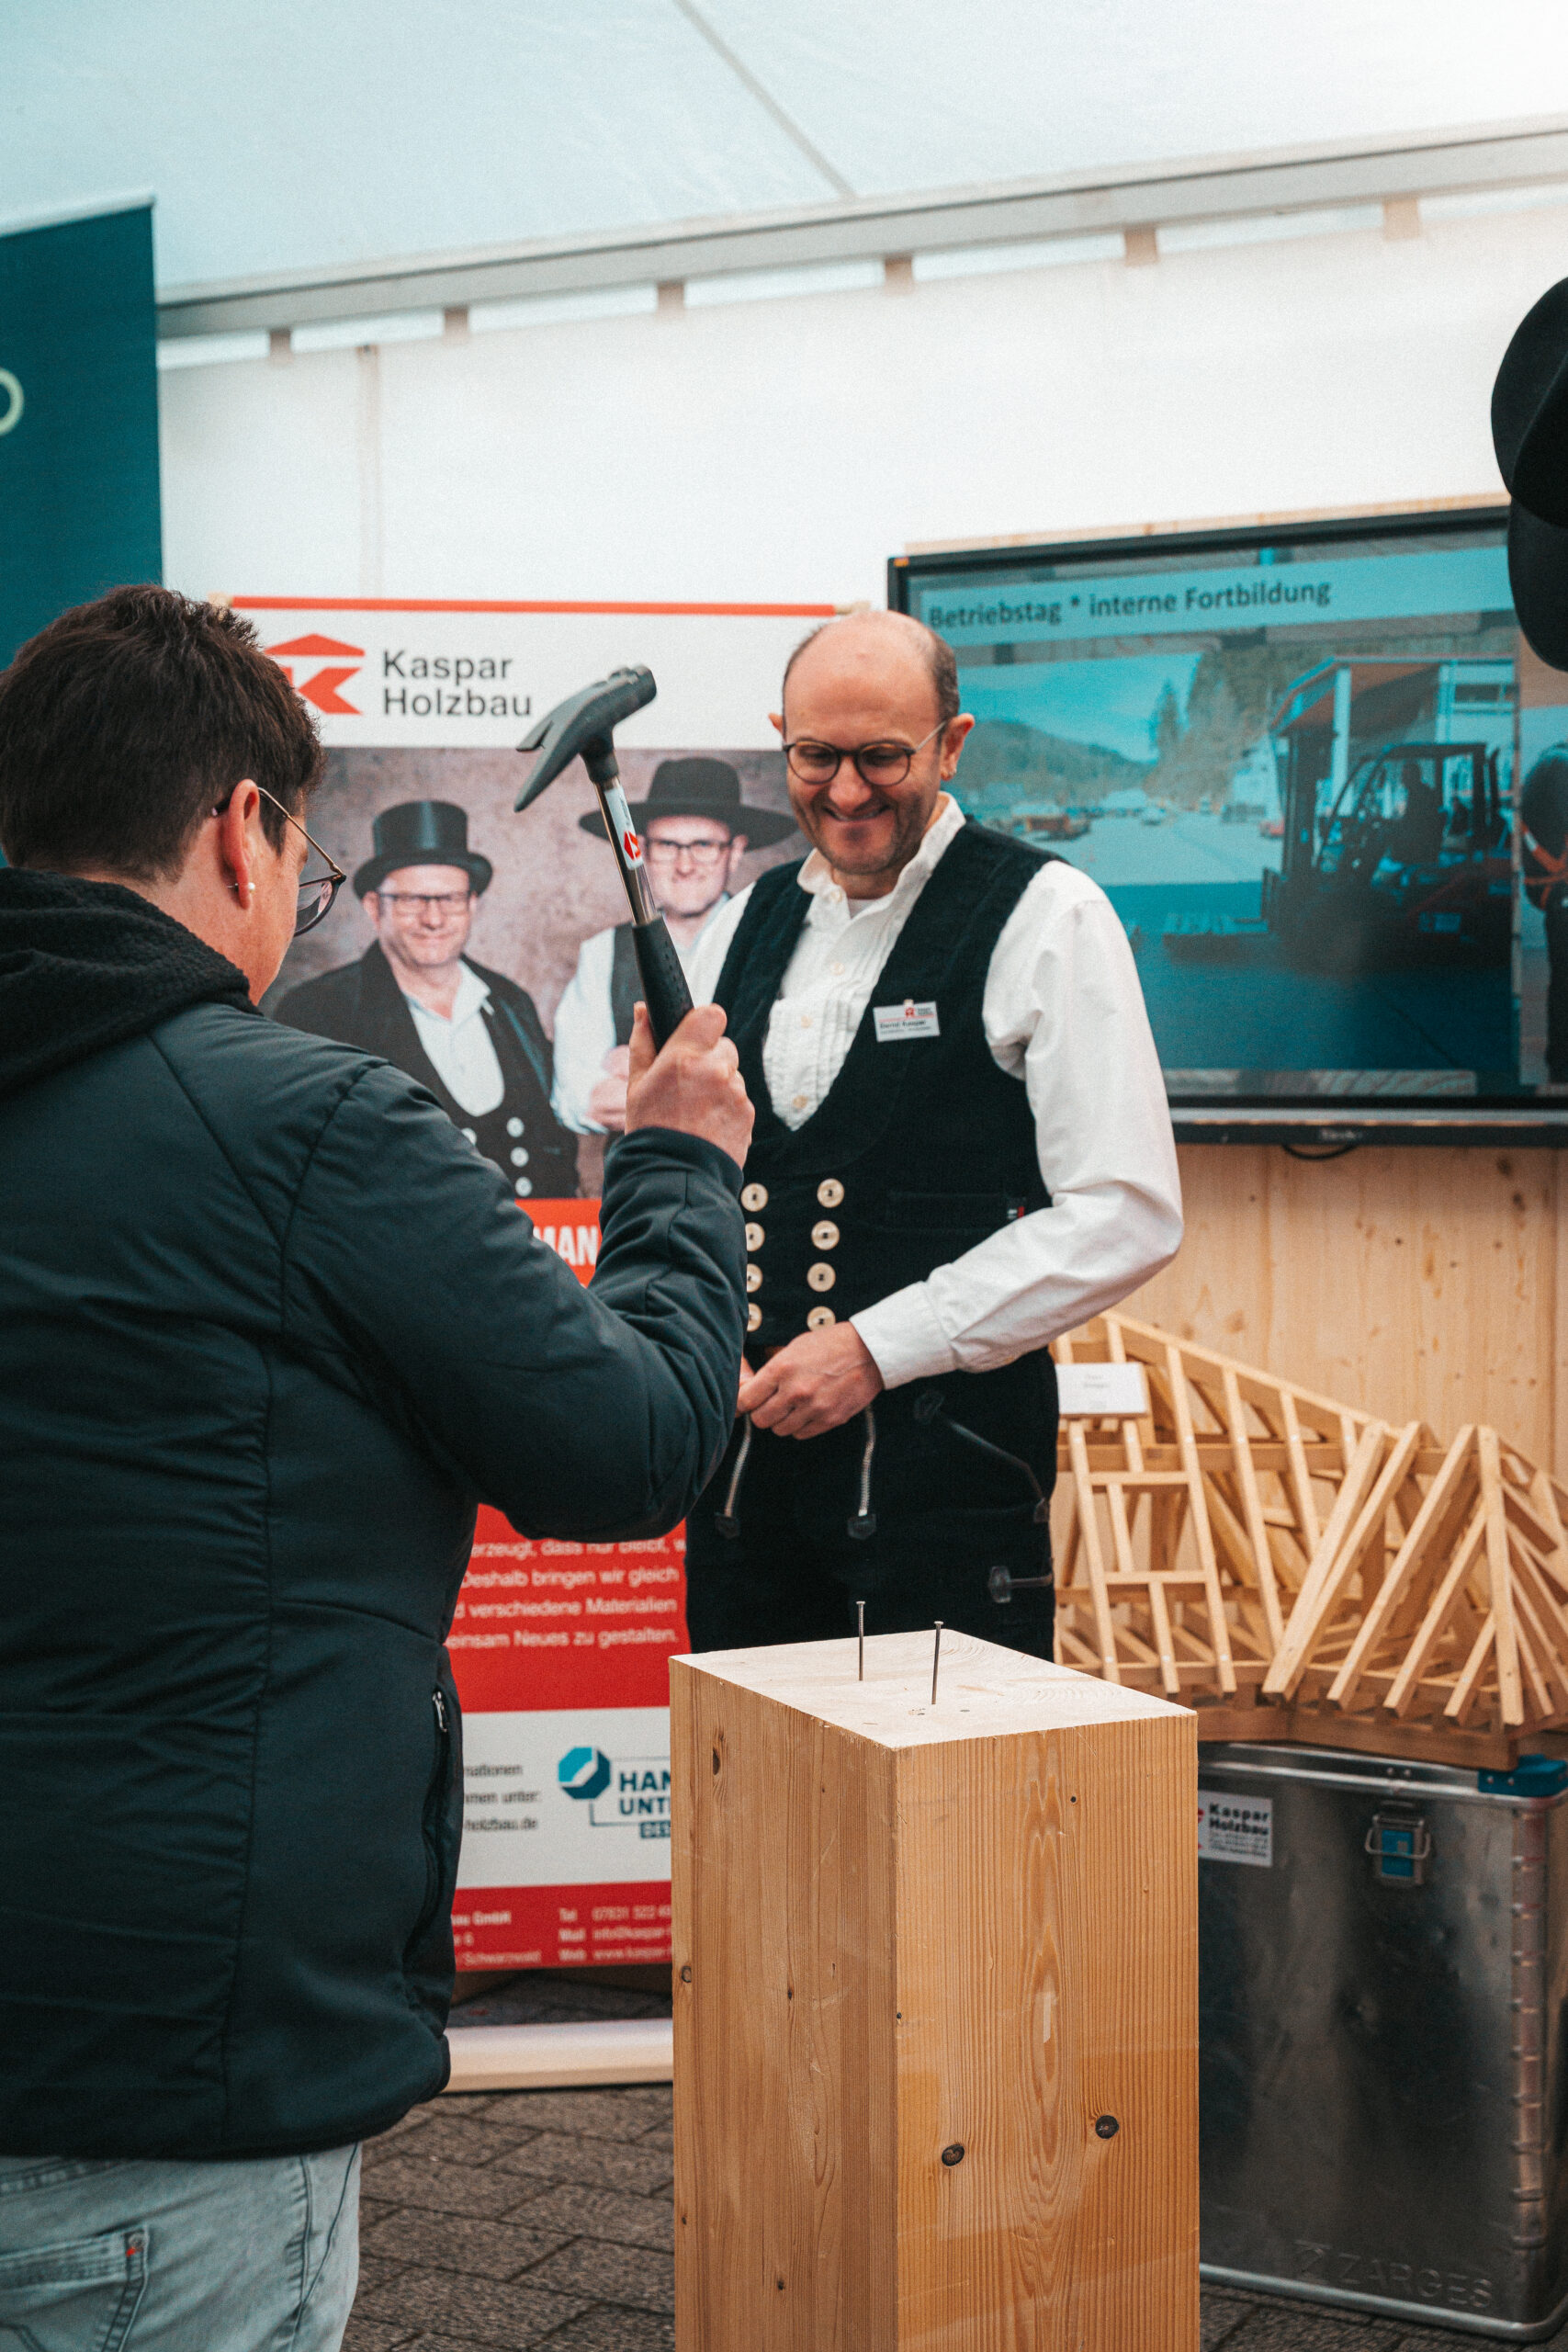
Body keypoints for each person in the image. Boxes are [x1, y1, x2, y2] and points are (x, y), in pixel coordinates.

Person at [0, 587, 751, 2350]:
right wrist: (677, 1168)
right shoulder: (310, 1124)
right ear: (243, 831)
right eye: (321, 869)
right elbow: (628, 1446)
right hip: (168, 2086)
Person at [682, 609, 1182, 1660]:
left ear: (951, 745)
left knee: (948, 1774)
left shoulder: (1049, 913)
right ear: (782, 741)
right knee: (753, 1772)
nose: (846, 791)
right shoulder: (740, 921)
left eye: (882, 756)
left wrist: (876, 1347)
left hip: (948, 1495)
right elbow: (701, 1177)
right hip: (743, 1502)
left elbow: (1125, 1211)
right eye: (816, 756)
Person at [275, 799, 580, 1197]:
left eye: (450, 899)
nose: (434, 920)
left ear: (472, 904)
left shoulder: (511, 1003)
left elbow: (555, 1144)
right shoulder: (316, 1010)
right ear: (374, 908)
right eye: (411, 900)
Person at [551, 757, 795, 1134]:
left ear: (735, 852)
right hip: (648, 1172)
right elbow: (579, 1099)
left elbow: (791, 1088)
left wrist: (645, 1071)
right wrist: (722, 1080)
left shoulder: (776, 943)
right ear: (641, 851)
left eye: (703, 845)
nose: (685, 866)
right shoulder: (603, 954)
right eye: (667, 845)